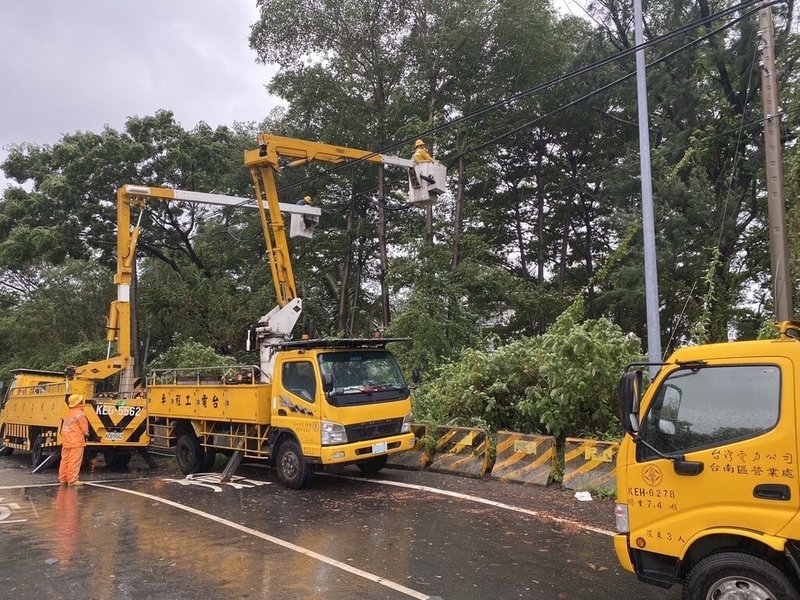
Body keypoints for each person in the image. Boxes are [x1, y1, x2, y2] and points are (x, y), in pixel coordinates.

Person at [58, 394, 89, 486]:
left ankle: (63, 479)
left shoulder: (67, 413)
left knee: (65, 460)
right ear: (79, 402)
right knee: (74, 460)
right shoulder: (80, 413)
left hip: (66, 440)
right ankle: (72, 480)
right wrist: (87, 434)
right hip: (76, 440)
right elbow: (84, 429)